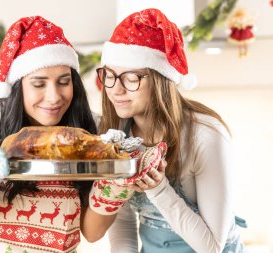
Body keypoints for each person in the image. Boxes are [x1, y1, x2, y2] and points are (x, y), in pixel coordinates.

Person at [0, 16, 122, 253]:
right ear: (18, 86)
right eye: (39, 84)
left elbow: (92, 232)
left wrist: (118, 184)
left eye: (64, 82)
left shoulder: (90, 130)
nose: (54, 96)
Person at [96, 8, 247, 253]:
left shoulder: (205, 136)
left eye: (131, 78)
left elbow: (211, 246)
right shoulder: (118, 135)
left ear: (160, 79)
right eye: (109, 75)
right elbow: (122, 223)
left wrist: (158, 189)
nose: (115, 89)